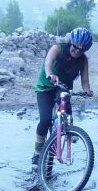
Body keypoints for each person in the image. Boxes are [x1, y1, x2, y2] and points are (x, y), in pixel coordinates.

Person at [32, 27, 94, 165]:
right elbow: (48, 62)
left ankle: (65, 132)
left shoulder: (83, 60)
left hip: (63, 88)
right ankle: (37, 153)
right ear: (70, 43)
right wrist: (50, 74)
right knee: (45, 119)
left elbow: (85, 81)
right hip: (46, 88)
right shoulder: (58, 49)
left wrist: (87, 90)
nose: (77, 51)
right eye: (75, 47)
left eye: (81, 50)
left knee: (66, 112)